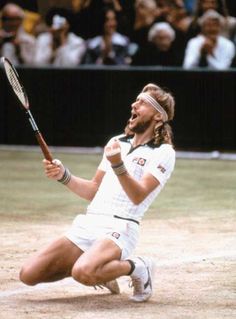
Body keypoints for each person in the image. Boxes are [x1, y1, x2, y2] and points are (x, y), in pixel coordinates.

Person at [19, 83, 176, 303]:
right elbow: (94, 189)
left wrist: (118, 165)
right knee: (28, 274)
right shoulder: (116, 143)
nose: (134, 104)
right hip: (90, 222)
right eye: (136, 100)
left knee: (83, 272)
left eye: (142, 102)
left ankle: (137, 267)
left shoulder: (164, 152)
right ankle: (101, 266)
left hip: (122, 227)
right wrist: (63, 175)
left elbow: (138, 195)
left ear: (158, 116)